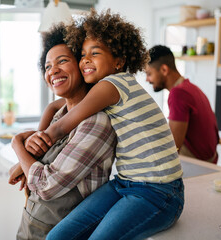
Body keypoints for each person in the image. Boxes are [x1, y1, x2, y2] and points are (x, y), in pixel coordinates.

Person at [43, 9, 184, 240]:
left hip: (159, 192)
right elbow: (57, 106)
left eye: (95, 53)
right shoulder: (111, 87)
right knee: (55, 237)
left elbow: (61, 126)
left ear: (119, 61)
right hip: (123, 184)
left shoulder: (111, 85)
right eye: (82, 54)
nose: (85, 59)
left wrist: (26, 154)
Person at [8, 23, 117, 239]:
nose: (53, 70)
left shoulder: (96, 122)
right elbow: (20, 172)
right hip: (31, 225)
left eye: (62, 61)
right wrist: (26, 153)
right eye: (47, 66)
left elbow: (46, 185)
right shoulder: (61, 115)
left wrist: (16, 145)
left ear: (82, 65)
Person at [146, 45, 219, 163]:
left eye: (149, 74)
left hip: (199, 165)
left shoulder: (178, 94)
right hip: (210, 160)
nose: (147, 79)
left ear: (164, 70)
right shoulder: (190, 87)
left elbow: (173, 147)